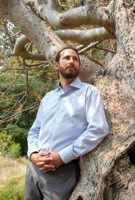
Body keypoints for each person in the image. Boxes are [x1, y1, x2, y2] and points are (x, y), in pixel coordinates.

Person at [24, 47, 109, 200]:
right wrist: (33, 155)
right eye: (67, 58)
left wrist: (62, 157)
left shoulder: (89, 92)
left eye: (75, 59)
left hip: (63, 172)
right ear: (56, 65)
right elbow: (34, 131)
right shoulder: (47, 98)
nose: (72, 61)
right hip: (33, 170)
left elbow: (98, 129)